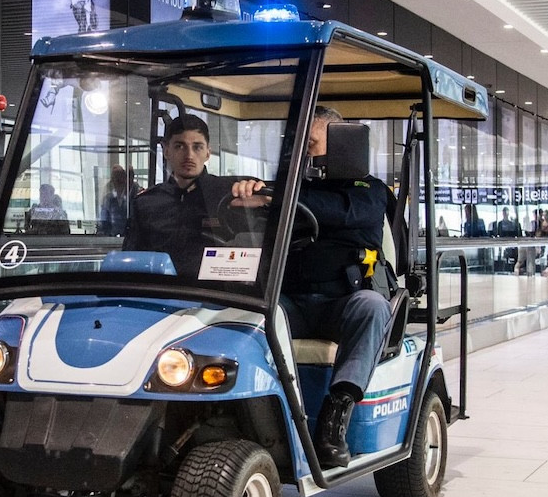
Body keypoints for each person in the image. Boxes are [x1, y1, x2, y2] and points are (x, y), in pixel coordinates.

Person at [236, 106, 395, 469]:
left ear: (341, 144)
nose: (304, 152)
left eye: (311, 143)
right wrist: (246, 193)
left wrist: (276, 196)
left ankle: (335, 415)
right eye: (299, 144)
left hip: (342, 304)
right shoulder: (292, 189)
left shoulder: (369, 190)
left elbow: (338, 211)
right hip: (289, 302)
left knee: (372, 306)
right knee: (243, 310)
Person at [125, 114, 261, 276]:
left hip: (219, 295)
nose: (189, 155)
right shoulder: (146, 203)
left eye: (197, 147)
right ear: (166, 150)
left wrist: (264, 201)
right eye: (180, 146)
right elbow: (129, 261)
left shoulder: (233, 194)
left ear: (208, 153)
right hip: (161, 293)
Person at [98, 165, 135, 236]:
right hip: (111, 238)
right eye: (115, 178)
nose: (118, 181)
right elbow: (103, 221)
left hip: (129, 238)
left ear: (125, 179)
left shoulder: (133, 197)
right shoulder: (108, 199)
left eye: (120, 178)